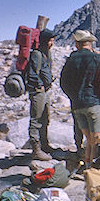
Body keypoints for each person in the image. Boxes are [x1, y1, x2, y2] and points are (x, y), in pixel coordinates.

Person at [60, 30, 100, 168]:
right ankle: (96, 171)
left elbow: (63, 83)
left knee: (89, 139)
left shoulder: (71, 59)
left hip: (77, 105)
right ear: (90, 43)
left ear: (78, 43)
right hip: (93, 103)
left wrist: (73, 97)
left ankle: (88, 168)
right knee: (97, 140)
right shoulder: (97, 58)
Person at [26, 29, 57, 160]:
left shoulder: (46, 54)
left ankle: (44, 144)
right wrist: (40, 85)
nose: (52, 43)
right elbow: (32, 74)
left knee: (45, 118)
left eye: (53, 41)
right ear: (44, 41)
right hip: (38, 91)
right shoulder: (37, 55)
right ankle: (36, 149)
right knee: (36, 119)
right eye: (50, 40)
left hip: (44, 92)